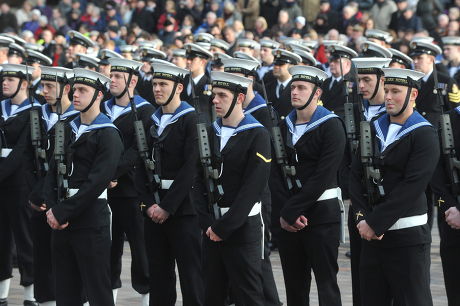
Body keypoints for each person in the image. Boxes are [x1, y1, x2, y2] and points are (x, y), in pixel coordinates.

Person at [350, 67, 439, 306]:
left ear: (413, 96)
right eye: (386, 90)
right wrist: (361, 218)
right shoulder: (373, 128)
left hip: (406, 237)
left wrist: (375, 222)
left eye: (395, 91)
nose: (388, 96)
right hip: (371, 234)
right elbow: (354, 175)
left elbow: (412, 186)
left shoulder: (425, 134)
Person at [43, 68, 123, 306]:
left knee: (97, 290)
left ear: (99, 95)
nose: (75, 95)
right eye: (75, 89)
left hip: (89, 219)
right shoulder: (67, 128)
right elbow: (52, 171)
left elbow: (96, 183)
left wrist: (62, 211)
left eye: (82, 90)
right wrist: (53, 207)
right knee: (65, 292)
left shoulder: (108, 134)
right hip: (61, 217)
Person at [196, 70, 270, 306]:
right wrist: (207, 223)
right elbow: (197, 181)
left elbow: (252, 188)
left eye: (222, 95)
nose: (215, 100)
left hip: (242, 227)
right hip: (211, 226)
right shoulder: (209, 132)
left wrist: (224, 227)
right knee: (212, 294)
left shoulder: (257, 134)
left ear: (239, 98)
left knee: (248, 294)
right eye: (214, 95)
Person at [276, 65, 345, 306]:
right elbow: (275, 174)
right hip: (289, 217)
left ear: (317, 93)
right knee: (294, 287)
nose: (294, 92)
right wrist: (286, 213)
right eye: (293, 87)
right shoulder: (284, 126)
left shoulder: (331, 125)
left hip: (321, 215)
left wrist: (291, 211)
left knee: (326, 286)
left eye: (302, 88)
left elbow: (323, 176)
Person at [137, 63, 204, 306]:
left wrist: (167, 206)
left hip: (183, 209)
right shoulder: (151, 119)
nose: (157, 89)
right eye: (155, 84)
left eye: (163, 84)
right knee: (159, 276)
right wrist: (148, 205)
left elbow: (191, 168)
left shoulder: (191, 119)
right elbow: (141, 164)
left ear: (179, 87)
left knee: (191, 276)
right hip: (153, 209)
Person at [222, 57, 281, 306]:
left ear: (249, 82)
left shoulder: (261, 113)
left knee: (257, 259)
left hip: (258, 194)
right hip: (231, 196)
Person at [103, 58, 153, 305]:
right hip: (106, 191)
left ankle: (145, 296)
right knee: (109, 249)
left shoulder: (144, 110)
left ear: (132, 81)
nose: (111, 81)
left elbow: (136, 151)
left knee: (140, 249)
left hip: (131, 191)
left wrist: (111, 173)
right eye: (111, 76)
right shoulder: (103, 107)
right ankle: (109, 295)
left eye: (117, 77)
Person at [29, 66, 79, 306]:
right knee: (41, 254)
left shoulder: (76, 119)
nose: (44, 91)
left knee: (65, 258)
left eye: (50, 87)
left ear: (66, 89)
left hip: (62, 196)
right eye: (43, 86)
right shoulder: (38, 113)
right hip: (37, 195)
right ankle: (44, 300)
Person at [0, 64, 39, 306]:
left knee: (25, 239)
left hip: (20, 184)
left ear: (23, 83)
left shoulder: (34, 111)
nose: (4, 83)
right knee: (1, 240)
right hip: (2, 184)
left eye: (10, 79)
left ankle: (30, 294)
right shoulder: (1, 108)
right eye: (3, 79)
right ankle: (2, 292)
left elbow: (22, 151)